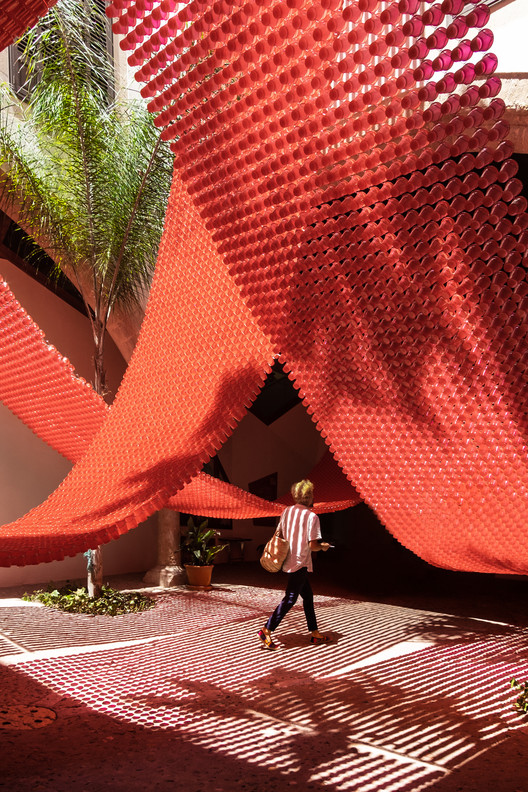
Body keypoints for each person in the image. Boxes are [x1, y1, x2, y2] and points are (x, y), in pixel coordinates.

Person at [258, 479, 330, 650]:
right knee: (290, 598)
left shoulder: (287, 512)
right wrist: (324, 546)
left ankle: (315, 633)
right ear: (310, 496)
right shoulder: (312, 517)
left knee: (308, 596)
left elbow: (281, 534)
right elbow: (313, 546)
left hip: (289, 559)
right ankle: (266, 629)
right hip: (300, 561)